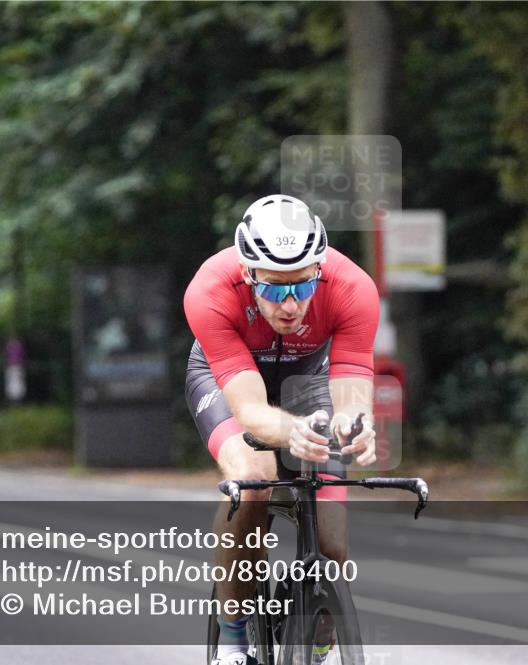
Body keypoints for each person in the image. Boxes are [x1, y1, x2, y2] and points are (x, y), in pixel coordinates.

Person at [184, 194, 380, 665]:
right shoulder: (210, 290)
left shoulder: (353, 287)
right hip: (227, 376)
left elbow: (351, 387)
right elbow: (250, 411)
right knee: (254, 480)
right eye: (273, 289)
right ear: (249, 273)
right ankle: (233, 638)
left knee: (332, 545)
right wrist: (291, 432)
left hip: (309, 379)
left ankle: (316, 643)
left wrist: (356, 424)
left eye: (303, 285)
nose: (290, 305)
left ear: (320, 269)